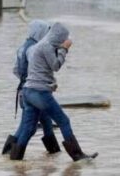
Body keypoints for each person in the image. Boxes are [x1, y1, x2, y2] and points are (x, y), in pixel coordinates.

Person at [10, 22, 98, 161]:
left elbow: (40, 72)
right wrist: (64, 49)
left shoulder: (38, 46)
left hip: (28, 92)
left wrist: (50, 85)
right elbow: (55, 66)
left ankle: (15, 160)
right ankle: (77, 155)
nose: (63, 41)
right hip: (39, 93)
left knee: (28, 128)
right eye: (63, 38)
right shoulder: (46, 46)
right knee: (64, 121)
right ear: (58, 37)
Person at [2, 20, 61, 156]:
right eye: (45, 32)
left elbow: (16, 70)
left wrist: (25, 81)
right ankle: (11, 153)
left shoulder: (22, 47)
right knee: (28, 126)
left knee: (45, 122)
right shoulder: (35, 48)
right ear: (39, 31)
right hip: (35, 91)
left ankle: (54, 154)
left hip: (24, 91)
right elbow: (41, 70)